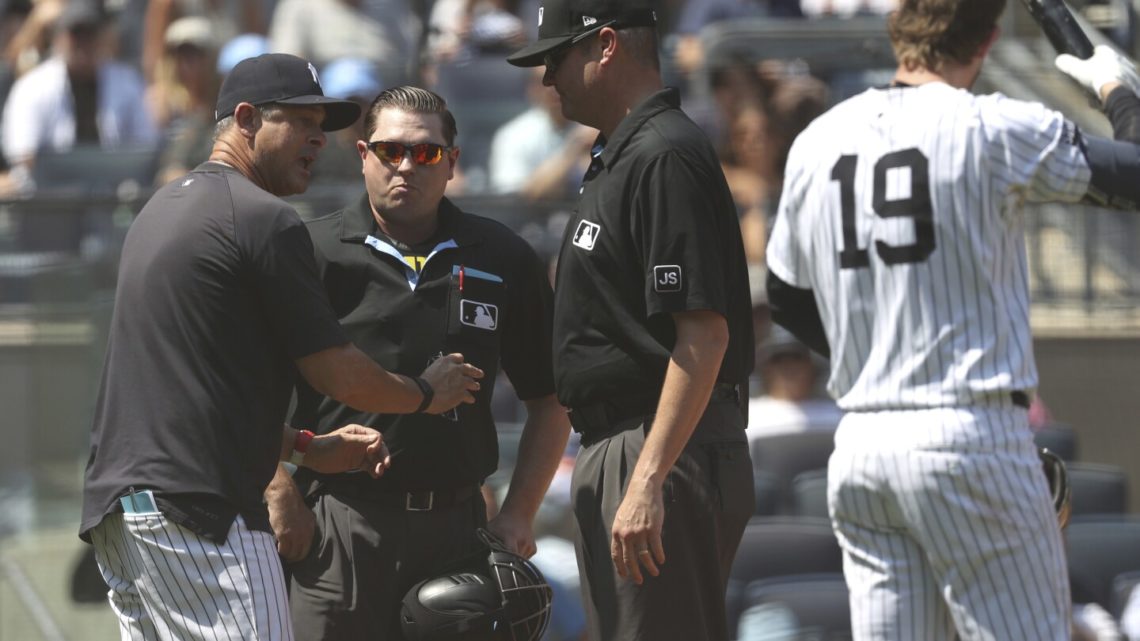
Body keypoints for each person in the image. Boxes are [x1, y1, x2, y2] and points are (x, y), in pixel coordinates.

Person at [765, 0, 1140, 638]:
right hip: (968, 436)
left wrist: (879, 357)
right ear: (987, 41)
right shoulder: (992, 125)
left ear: (898, 28)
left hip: (862, 447)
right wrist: (1116, 90)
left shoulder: (817, 139)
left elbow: (785, 296)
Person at [80, 54, 483, 641]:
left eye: (322, 125)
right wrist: (425, 393)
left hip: (127, 511)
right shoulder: (261, 217)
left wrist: (304, 448)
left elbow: (200, 390)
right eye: (300, 121)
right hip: (199, 512)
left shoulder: (163, 208)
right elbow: (336, 373)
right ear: (246, 119)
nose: (319, 138)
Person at [263, 85, 571, 640]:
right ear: (364, 156)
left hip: (458, 535)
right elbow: (243, 389)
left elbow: (551, 400)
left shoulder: (503, 256)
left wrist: (520, 511)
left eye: (426, 152)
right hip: (338, 525)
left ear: (452, 163)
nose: (406, 165)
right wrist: (278, 491)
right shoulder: (308, 251)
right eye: (390, 151)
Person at [506, 2, 756, 639]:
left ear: (606, 45)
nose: (547, 78)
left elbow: (705, 334)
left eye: (556, 57)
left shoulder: (662, 153)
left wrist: (648, 478)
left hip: (656, 445)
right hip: (631, 444)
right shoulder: (622, 152)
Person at [1, 0, 157, 194]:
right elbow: (23, 154)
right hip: (48, 197)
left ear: (101, 37)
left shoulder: (127, 81)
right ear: (59, 38)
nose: (83, 43)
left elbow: (146, 147)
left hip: (114, 193)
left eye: (89, 34)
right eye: (76, 34)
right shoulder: (33, 86)